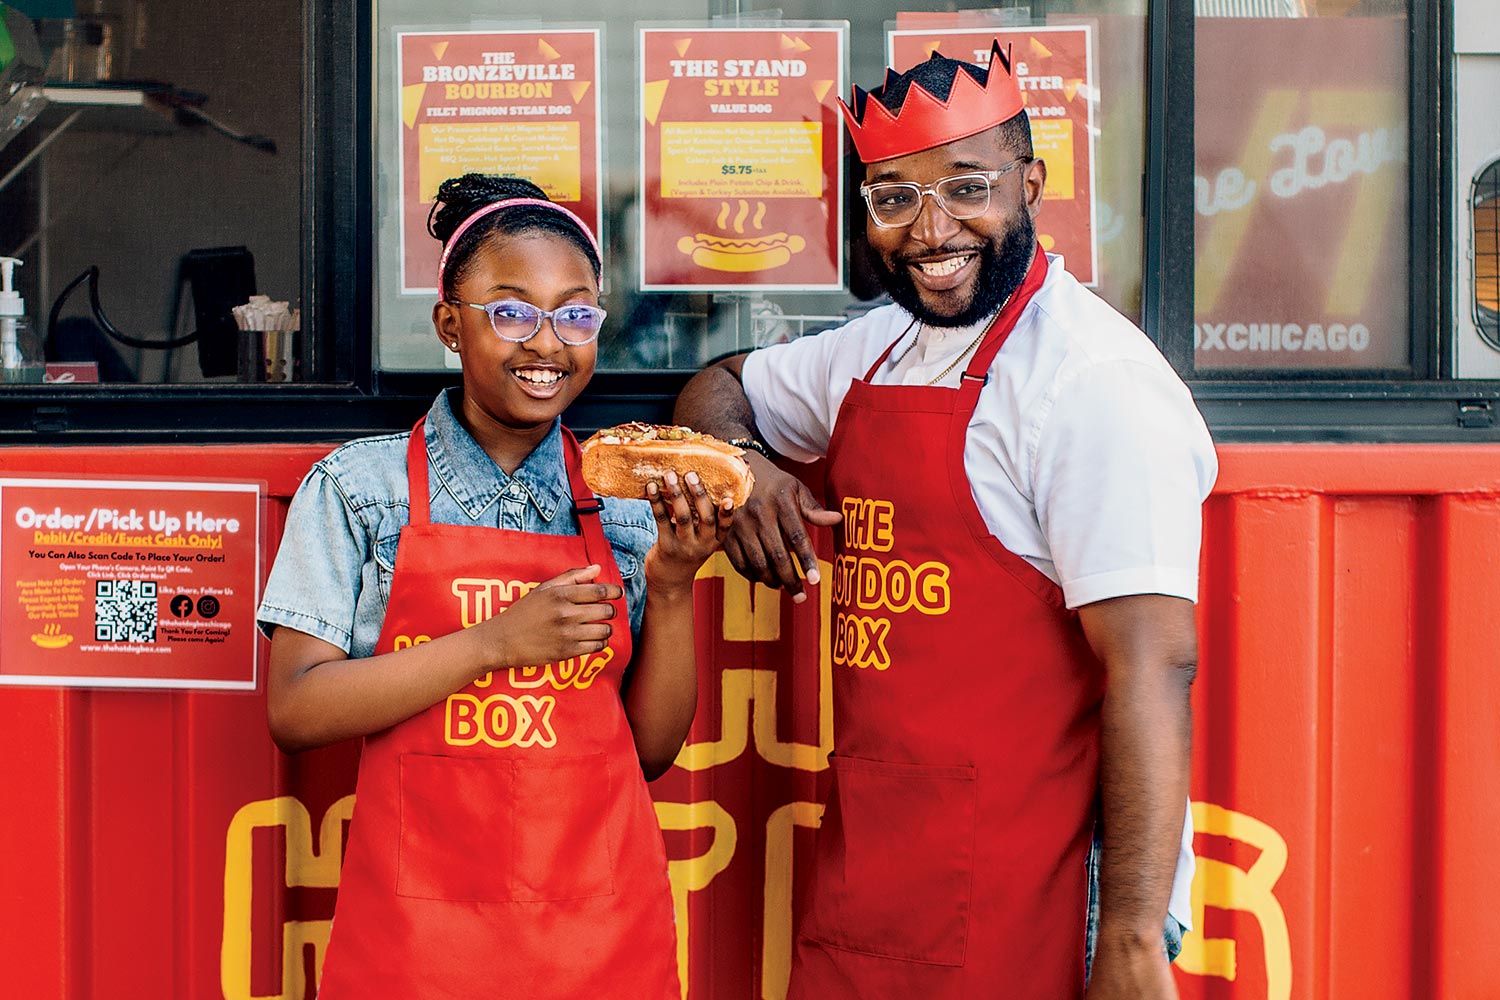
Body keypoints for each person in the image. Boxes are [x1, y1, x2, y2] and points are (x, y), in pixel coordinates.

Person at [673, 42, 1217, 1000]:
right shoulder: (876, 349)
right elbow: (715, 388)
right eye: (893, 198)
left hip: (1034, 887)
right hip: (877, 869)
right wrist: (741, 465)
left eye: (968, 188)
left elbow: (1154, 663)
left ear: (1032, 183)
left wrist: (1129, 942)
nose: (931, 230)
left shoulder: (1096, 384)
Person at [257, 174, 733, 998]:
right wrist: (493, 645)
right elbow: (296, 709)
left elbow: (650, 752)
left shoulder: (624, 501)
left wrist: (676, 581)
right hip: (419, 947)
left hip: (598, 943)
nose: (547, 343)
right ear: (450, 324)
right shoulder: (360, 490)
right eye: (511, 310)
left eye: (576, 313)